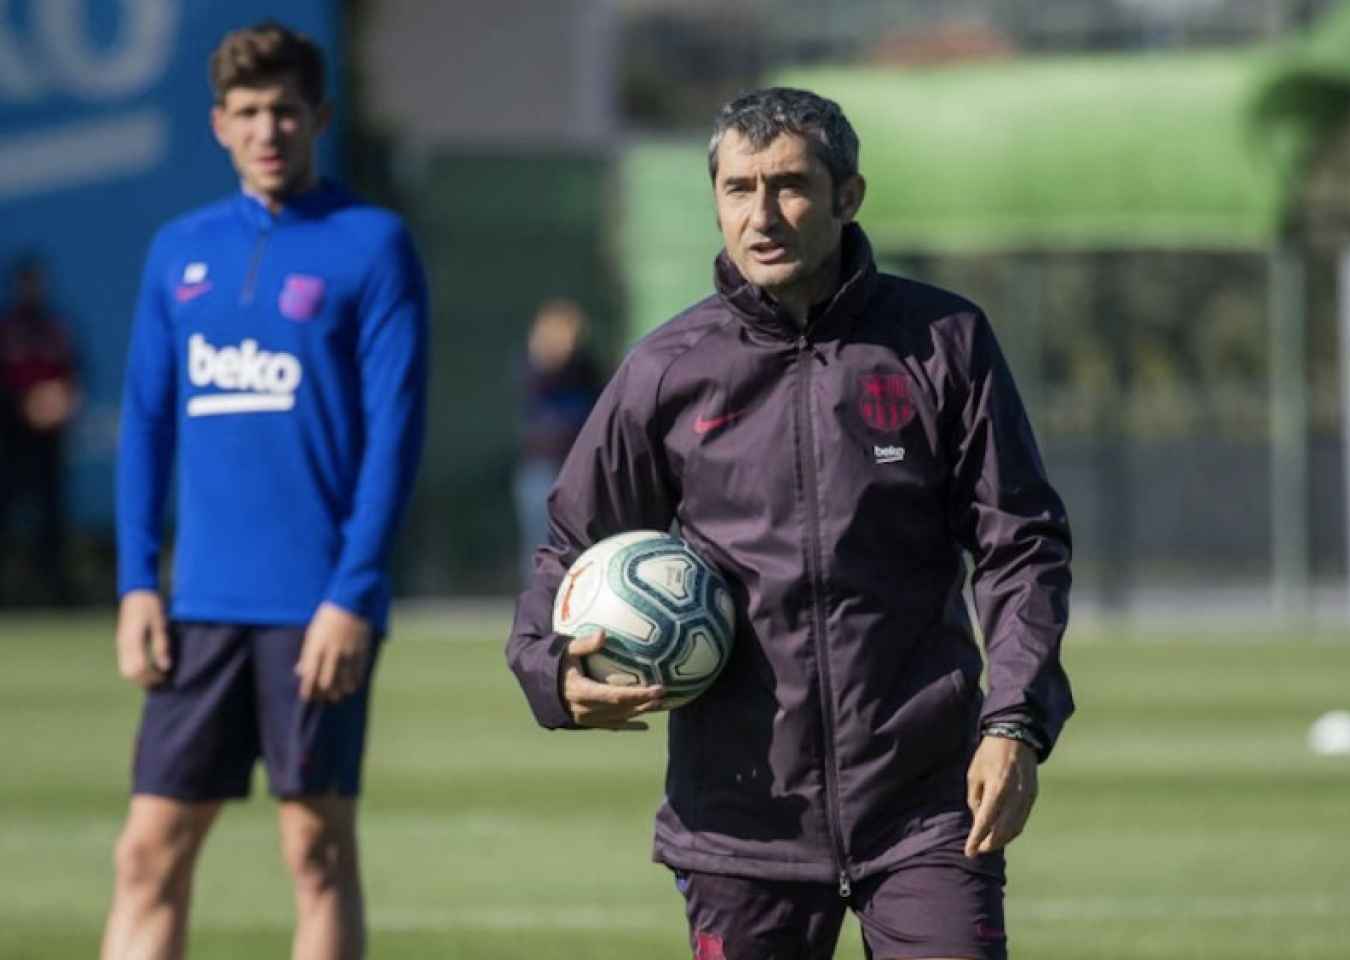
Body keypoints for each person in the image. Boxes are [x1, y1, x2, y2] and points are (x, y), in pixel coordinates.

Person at [507, 87, 1073, 960]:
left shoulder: (944, 341)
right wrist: (548, 671)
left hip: (924, 803)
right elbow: (570, 542)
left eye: (790, 186)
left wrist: (1013, 722)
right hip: (742, 817)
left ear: (849, 196)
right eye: (738, 189)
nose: (761, 214)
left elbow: (1019, 543)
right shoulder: (666, 370)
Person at [104, 22, 427, 960]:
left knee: (315, 851)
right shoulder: (178, 251)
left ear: (319, 115)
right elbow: (147, 424)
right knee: (147, 853)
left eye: (285, 110)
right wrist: (136, 583)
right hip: (198, 605)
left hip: (313, 606)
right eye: (247, 112)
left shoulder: (373, 246)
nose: (268, 129)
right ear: (218, 125)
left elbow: (394, 437)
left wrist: (353, 593)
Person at [0, 255, 81, 606]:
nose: (33, 289)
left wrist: (60, 403)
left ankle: (55, 592)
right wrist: (23, 407)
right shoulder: (7, 328)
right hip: (11, 440)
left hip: (50, 440)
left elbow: (75, 374)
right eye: (27, 282)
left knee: (52, 517)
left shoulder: (56, 327)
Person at [514, 298, 604, 581]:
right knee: (539, 543)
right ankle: (539, 605)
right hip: (542, 467)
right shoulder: (535, 369)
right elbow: (537, 383)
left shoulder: (586, 368)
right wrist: (551, 353)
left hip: (578, 467)